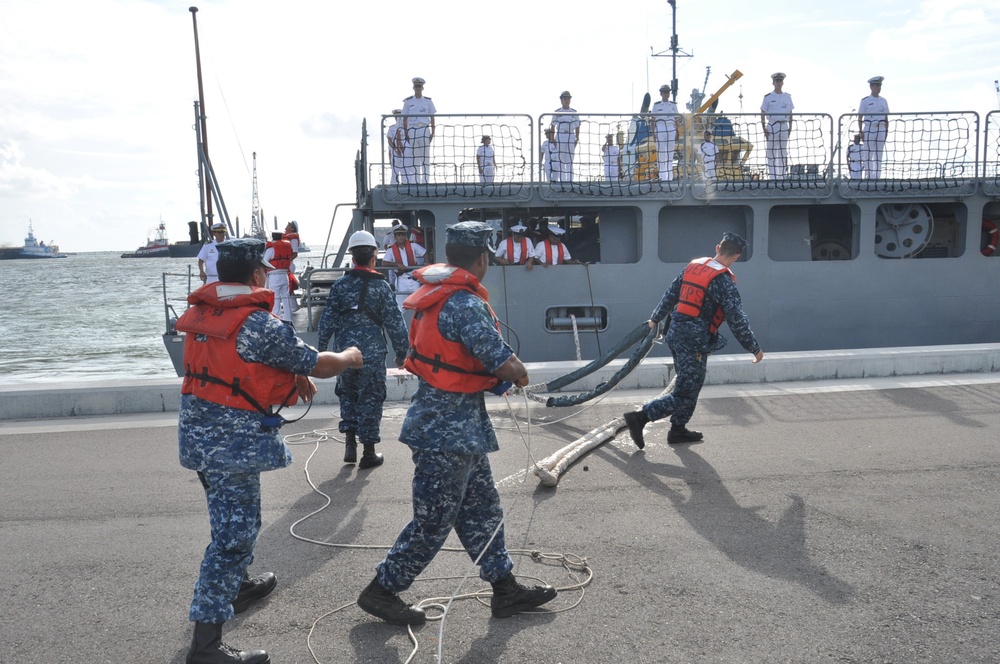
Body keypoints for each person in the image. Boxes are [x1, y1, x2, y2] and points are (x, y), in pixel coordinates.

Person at [356, 221, 558, 626]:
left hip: (457, 428)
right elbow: (502, 361)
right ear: (483, 258)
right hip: (446, 433)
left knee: (483, 509)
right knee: (434, 521)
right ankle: (382, 589)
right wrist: (517, 374)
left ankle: (505, 590)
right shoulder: (464, 304)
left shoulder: (433, 297)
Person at [176, 238, 362, 664]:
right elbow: (319, 363)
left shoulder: (204, 314)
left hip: (199, 435)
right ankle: (205, 648)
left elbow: (236, 364)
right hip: (232, 445)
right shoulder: (259, 324)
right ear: (258, 276)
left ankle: (237, 588)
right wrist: (351, 356)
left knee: (228, 521)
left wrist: (289, 374)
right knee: (233, 538)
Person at [623, 232, 764, 448]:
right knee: (686, 393)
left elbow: (671, 293)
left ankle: (678, 429)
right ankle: (641, 417)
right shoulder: (723, 281)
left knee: (688, 384)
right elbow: (736, 319)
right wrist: (753, 348)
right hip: (694, 341)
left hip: (676, 333)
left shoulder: (694, 265)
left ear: (717, 247)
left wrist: (655, 319)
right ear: (736, 256)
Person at [317, 230, 409, 469]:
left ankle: (350, 443)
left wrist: (321, 350)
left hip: (343, 353)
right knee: (371, 397)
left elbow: (327, 320)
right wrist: (402, 352)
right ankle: (369, 452)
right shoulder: (382, 287)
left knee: (347, 393)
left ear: (352, 256)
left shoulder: (339, 285)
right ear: (373, 256)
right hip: (372, 353)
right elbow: (395, 323)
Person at [383, 224, 426, 311]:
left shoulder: (413, 246)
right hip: (401, 280)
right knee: (401, 307)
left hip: (414, 279)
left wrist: (427, 262)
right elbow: (384, 263)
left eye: (402, 235)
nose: (401, 237)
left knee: (418, 304)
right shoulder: (391, 250)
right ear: (395, 237)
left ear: (405, 236)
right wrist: (397, 264)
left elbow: (425, 253)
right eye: (398, 235)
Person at [760, 72, 794, 180]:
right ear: (773, 83)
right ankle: (773, 176)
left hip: (784, 125)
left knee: (783, 151)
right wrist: (764, 128)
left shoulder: (787, 97)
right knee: (771, 151)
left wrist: (790, 128)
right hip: (772, 125)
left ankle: (782, 176)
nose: (778, 83)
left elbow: (790, 113)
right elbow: (762, 112)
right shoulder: (768, 97)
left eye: (780, 81)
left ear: (782, 83)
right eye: (777, 81)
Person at [402, 77, 436, 184]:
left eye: (419, 87)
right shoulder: (408, 102)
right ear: (413, 88)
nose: (417, 88)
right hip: (412, 130)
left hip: (424, 129)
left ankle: (425, 181)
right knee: (415, 157)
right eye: (416, 87)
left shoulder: (428, 102)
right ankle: (416, 182)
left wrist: (433, 133)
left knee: (425, 157)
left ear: (422, 88)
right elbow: (405, 118)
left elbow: (432, 117)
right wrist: (406, 132)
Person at [858, 76, 889, 179]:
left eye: (879, 85)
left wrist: (886, 130)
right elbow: (860, 116)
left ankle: (877, 176)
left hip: (881, 127)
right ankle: (869, 175)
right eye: (876, 85)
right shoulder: (865, 101)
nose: (878, 88)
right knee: (868, 153)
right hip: (869, 127)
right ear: (871, 87)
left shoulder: (883, 101)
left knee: (879, 153)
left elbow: (886, 117)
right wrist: (861, 131)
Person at [263, 232, 295, 326]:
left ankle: (277, 319)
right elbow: (291, 265)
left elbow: (264, 261)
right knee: (286, 298)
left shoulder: (272, 248)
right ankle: (289, 319)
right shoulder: (287, 248)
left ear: (273, 237)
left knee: (275, 298)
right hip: (284, 275)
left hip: (274, 276)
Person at [651, 84, 680, 181]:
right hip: (660, 128)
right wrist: (653, 133)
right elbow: (653, 120)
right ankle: (663, 177)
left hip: (671, 129)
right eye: (664, 92)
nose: (666, 94)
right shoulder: (656, 105)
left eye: (667, 92)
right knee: (661, 153)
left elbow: (676, 119)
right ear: (661, 94)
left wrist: (677, 131)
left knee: (670, 154)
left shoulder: (673, 105)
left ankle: (669, 177)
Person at [550, 91, 580, 181]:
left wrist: (577, 138)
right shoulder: (557, 112)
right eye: (565, 99)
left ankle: (570, 180)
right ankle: (563, 180)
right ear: (561, 100)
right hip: (560, 135)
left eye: (568, 98)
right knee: (561, 160)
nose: (567, 100)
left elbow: (577, 126)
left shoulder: (574, 112)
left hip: (570, 135)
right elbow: (553, 126)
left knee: (570, 159)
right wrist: (553, 139)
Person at [387, 109, 408, 185]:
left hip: (405, 153)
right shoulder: (392, 128)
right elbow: (389, 140)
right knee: (394, 173)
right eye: (396, 116)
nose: (397, 118)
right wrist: (396, 148)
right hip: (395, 154)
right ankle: (393, 185)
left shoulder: (406, 128)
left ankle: (406, 186)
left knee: (405, 173)